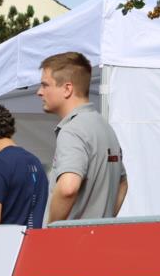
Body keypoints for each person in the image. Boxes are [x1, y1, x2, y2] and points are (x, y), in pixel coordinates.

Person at [38, 52, 128, 222]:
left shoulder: (72, 131)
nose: (39, 92)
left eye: (45, 85)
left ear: (67, 89)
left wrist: (50, 231)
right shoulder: (104, 127)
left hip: (70, 243)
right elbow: (123, 183)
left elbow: (68, 188)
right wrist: (102, 222)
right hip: (96, 240)